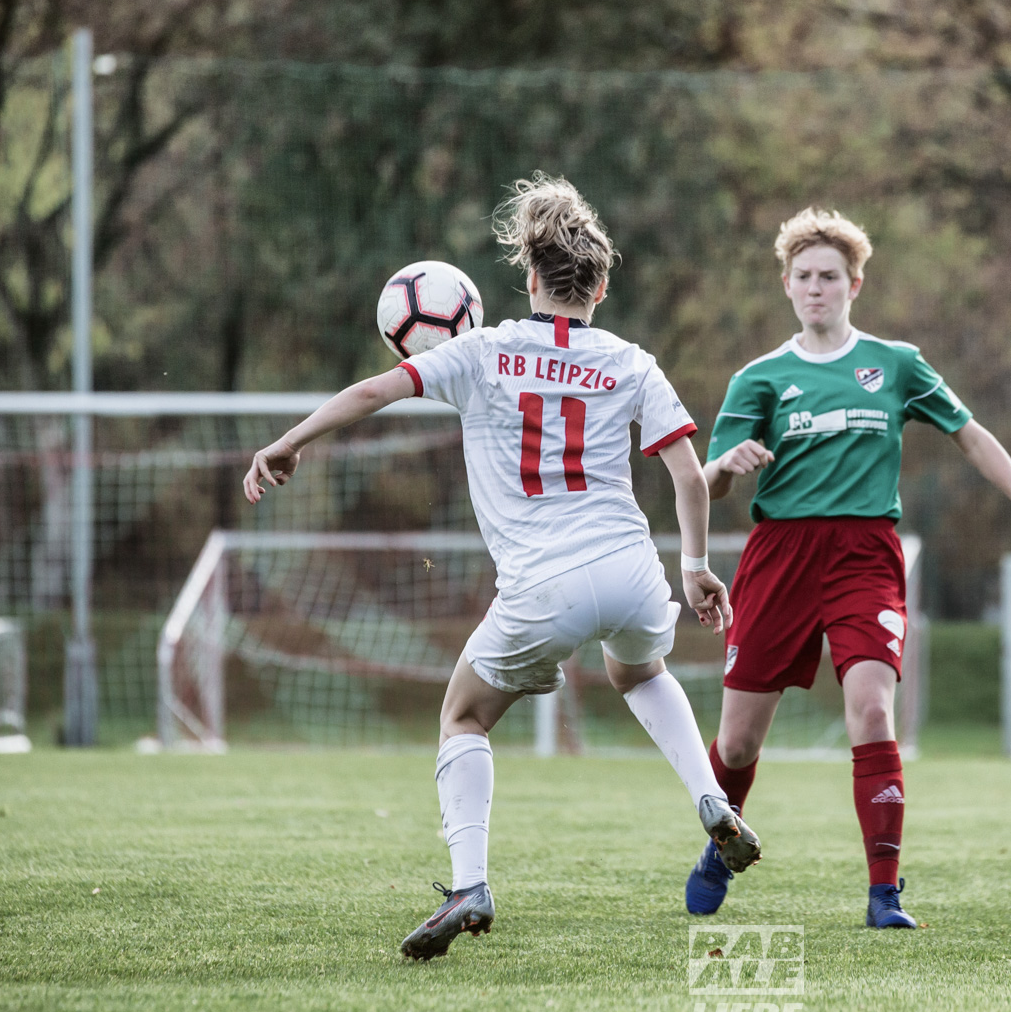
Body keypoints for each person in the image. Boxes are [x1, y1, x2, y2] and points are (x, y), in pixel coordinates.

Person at [244, 174, 763, 962]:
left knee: (463, 715)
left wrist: (290, 441)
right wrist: (695, 566)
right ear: (601, 281)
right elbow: (690, 477)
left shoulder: (481, 352)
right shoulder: (632, 361)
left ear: (527, 278)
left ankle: (470, 884)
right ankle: (710, 800)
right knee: (640, 672)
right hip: (631, 568)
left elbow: (370, 391)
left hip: (543, 585)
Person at [684, 207, 1011, 928]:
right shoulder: (760, 379)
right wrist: (725, 466)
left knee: (871, 710)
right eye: (803, 277)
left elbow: (971, 436)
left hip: (865, 555)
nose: (815, 288)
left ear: (854, 284)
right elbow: (702, 483)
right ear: (786, 285)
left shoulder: (895, 364)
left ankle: (884, 894)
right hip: (780, 558)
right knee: (738, 739)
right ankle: (722, 840)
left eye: (829, 277)